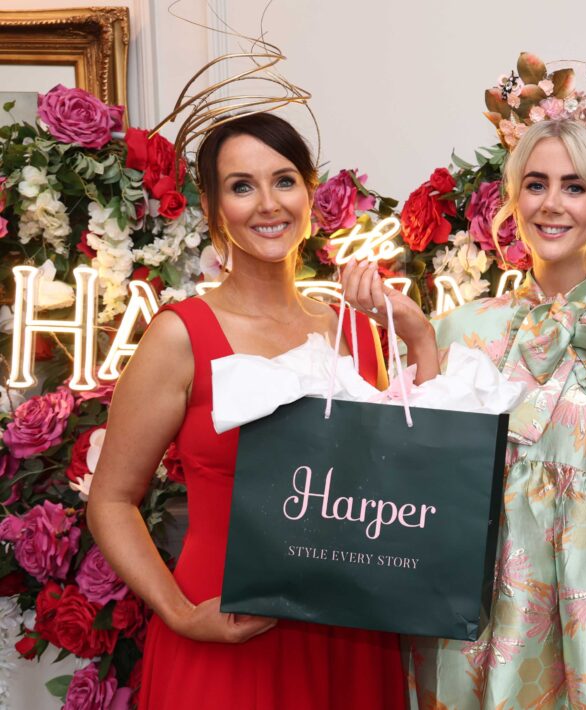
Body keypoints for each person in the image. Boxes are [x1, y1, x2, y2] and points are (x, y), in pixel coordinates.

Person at [358, 117, 586, 709]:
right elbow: (422, 487)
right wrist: (421, 346)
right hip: (478, 621)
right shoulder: (461, 330)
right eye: (536, 184)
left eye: (574, 186)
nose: (552, 203)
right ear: (512, 199)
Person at [87, 113, 425, 709]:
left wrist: (419, 340)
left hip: (349, 637)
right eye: (242, 186)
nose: (268, 203)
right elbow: (111, 501)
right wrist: (180, 614)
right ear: (214, 209)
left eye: (284, 180)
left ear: (311, 193)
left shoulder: (353, 332)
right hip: (224, 629)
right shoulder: (179, 335)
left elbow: (409, 483)